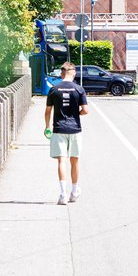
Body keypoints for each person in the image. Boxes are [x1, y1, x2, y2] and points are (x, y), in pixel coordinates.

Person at [45, 61, 89, 204]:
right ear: (74, 73)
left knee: (61, 161)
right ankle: (74, 191)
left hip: (59, 129)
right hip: (75, 129)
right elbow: (86, 110)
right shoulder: (79, 89)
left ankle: (63, 194)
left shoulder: (54, 89)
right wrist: (76, 114)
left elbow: (48, 111)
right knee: (74, 160)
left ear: (61, 73)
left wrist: (47, 127)